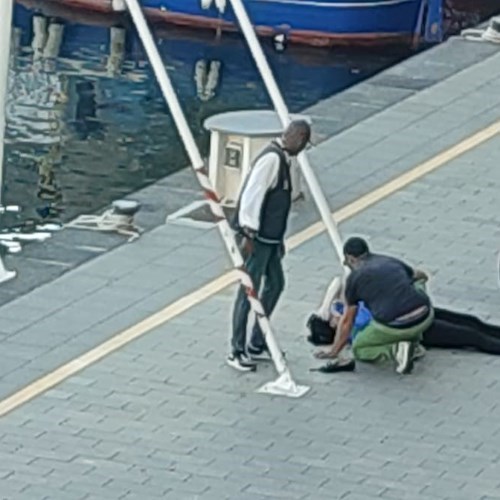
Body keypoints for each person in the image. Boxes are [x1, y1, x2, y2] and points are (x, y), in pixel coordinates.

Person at [227, 119, 311, 371]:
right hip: (257, 238)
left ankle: (257, 341)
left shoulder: (286, 159)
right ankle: (237, 349)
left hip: (271, 238)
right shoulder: (271, 160)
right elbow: (252, 196)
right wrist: (248, 234)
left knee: (276, 284)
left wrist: (279, 241)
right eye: (304, 142)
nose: (304, 147)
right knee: (248, 291)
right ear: (295, 137)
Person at [315, 237, 434, 374]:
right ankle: (415, 340)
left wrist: (334, 351)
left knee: (360, 349)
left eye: (346, 260)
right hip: (425, 316)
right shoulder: (389, 261)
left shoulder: (354, 280)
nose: (345, 263)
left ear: (351, 258)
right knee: (417, 284)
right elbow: (421, 275)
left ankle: (397, 349)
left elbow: (348, 321)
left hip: (396, 325)